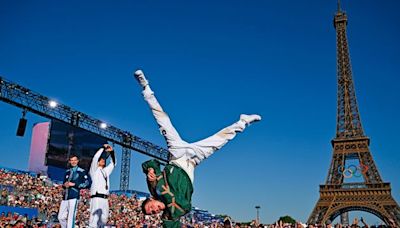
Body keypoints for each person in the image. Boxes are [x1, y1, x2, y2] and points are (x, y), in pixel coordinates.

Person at [134, 70, 261, 227]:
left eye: (150, 208)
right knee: (219, 141)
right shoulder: (170, 214)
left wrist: (150, 171)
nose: (154, 211)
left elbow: (151, 163)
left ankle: (146, 88)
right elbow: (185, 206)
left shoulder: (154, 188)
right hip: (192, 162)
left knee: (163, 121)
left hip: (177, 155)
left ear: (151, 199)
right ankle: (243, 122)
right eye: (153, 213)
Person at [58, 154, 91, 228]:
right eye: (72, 160)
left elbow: (87, 183)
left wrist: (74, 184)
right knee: (60, 217)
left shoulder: (81, 171)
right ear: (69, 161)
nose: (73, 162)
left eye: (75, 160)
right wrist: (64, 185)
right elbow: (64, 183)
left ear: (77, 161)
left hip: (74, 196)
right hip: (65, 197)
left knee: (71, 217)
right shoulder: (67, 171)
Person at [89, 144, 116, 228]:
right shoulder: (94, 171)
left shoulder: (105, 171)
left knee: (104, 219)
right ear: (97, 163)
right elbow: (95, 158)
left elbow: (113, 164)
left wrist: (112, 152)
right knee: (94, 219)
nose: (103, 160)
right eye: (101, 160)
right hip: (96, 197)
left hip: (105, 199)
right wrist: (103, 148)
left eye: (103, 160)